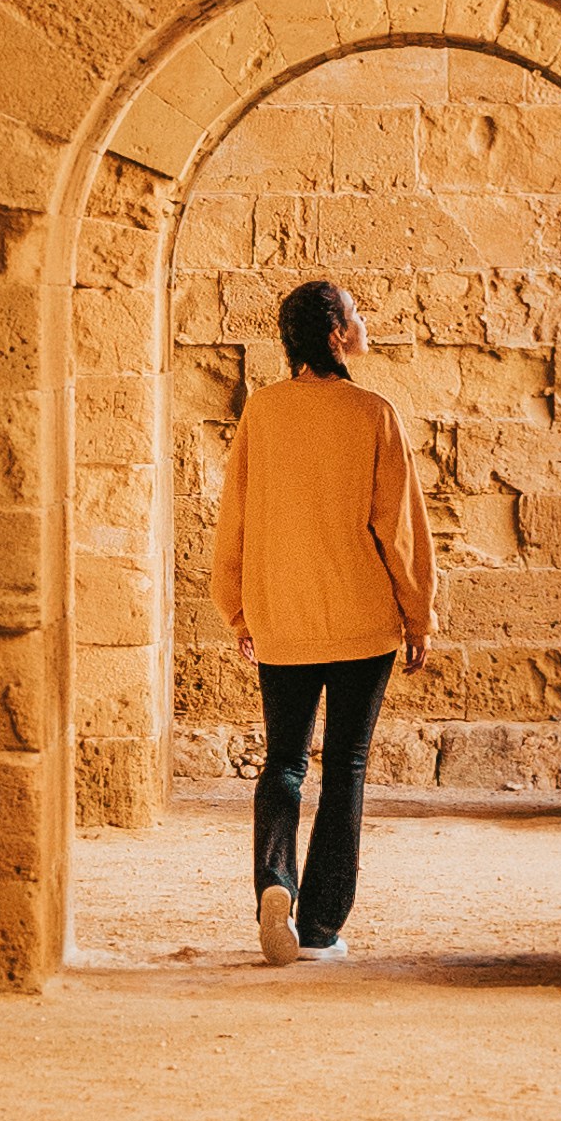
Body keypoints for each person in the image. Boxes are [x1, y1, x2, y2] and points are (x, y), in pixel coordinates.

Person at [208, 275, 435, 965]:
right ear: (336, 333)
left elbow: (235, 518)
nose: (364, 321)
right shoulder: (373, 413)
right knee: (345, 766)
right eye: (356, 314)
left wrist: (236, 608)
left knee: (282, 761)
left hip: (282, 615)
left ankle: (274, 882)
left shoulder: (263, 413)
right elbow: (396, 528)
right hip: (363, 620)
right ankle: (320, 928)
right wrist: (418, 611)